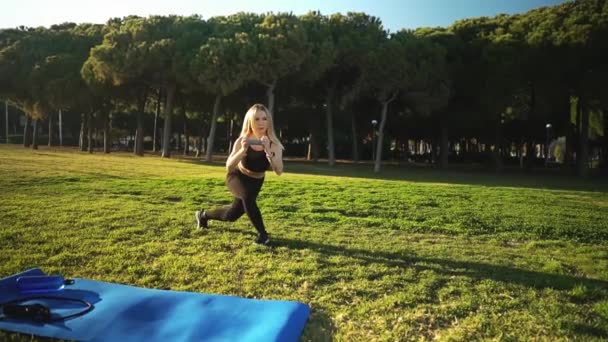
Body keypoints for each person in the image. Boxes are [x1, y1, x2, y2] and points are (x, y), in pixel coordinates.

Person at [195, 104, 284, 245]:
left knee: (230, 216)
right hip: (236, 176)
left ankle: (203, 215)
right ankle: (263, 235)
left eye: (264, 119)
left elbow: (279, 171)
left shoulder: (274, 144)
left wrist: (268, 151)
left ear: (269, 121)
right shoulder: (243, 140)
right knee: (247, 197)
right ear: (250, 121)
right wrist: (242, 150)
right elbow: (229, 166)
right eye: (256, 119)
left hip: (256, 182)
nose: (261, 123)